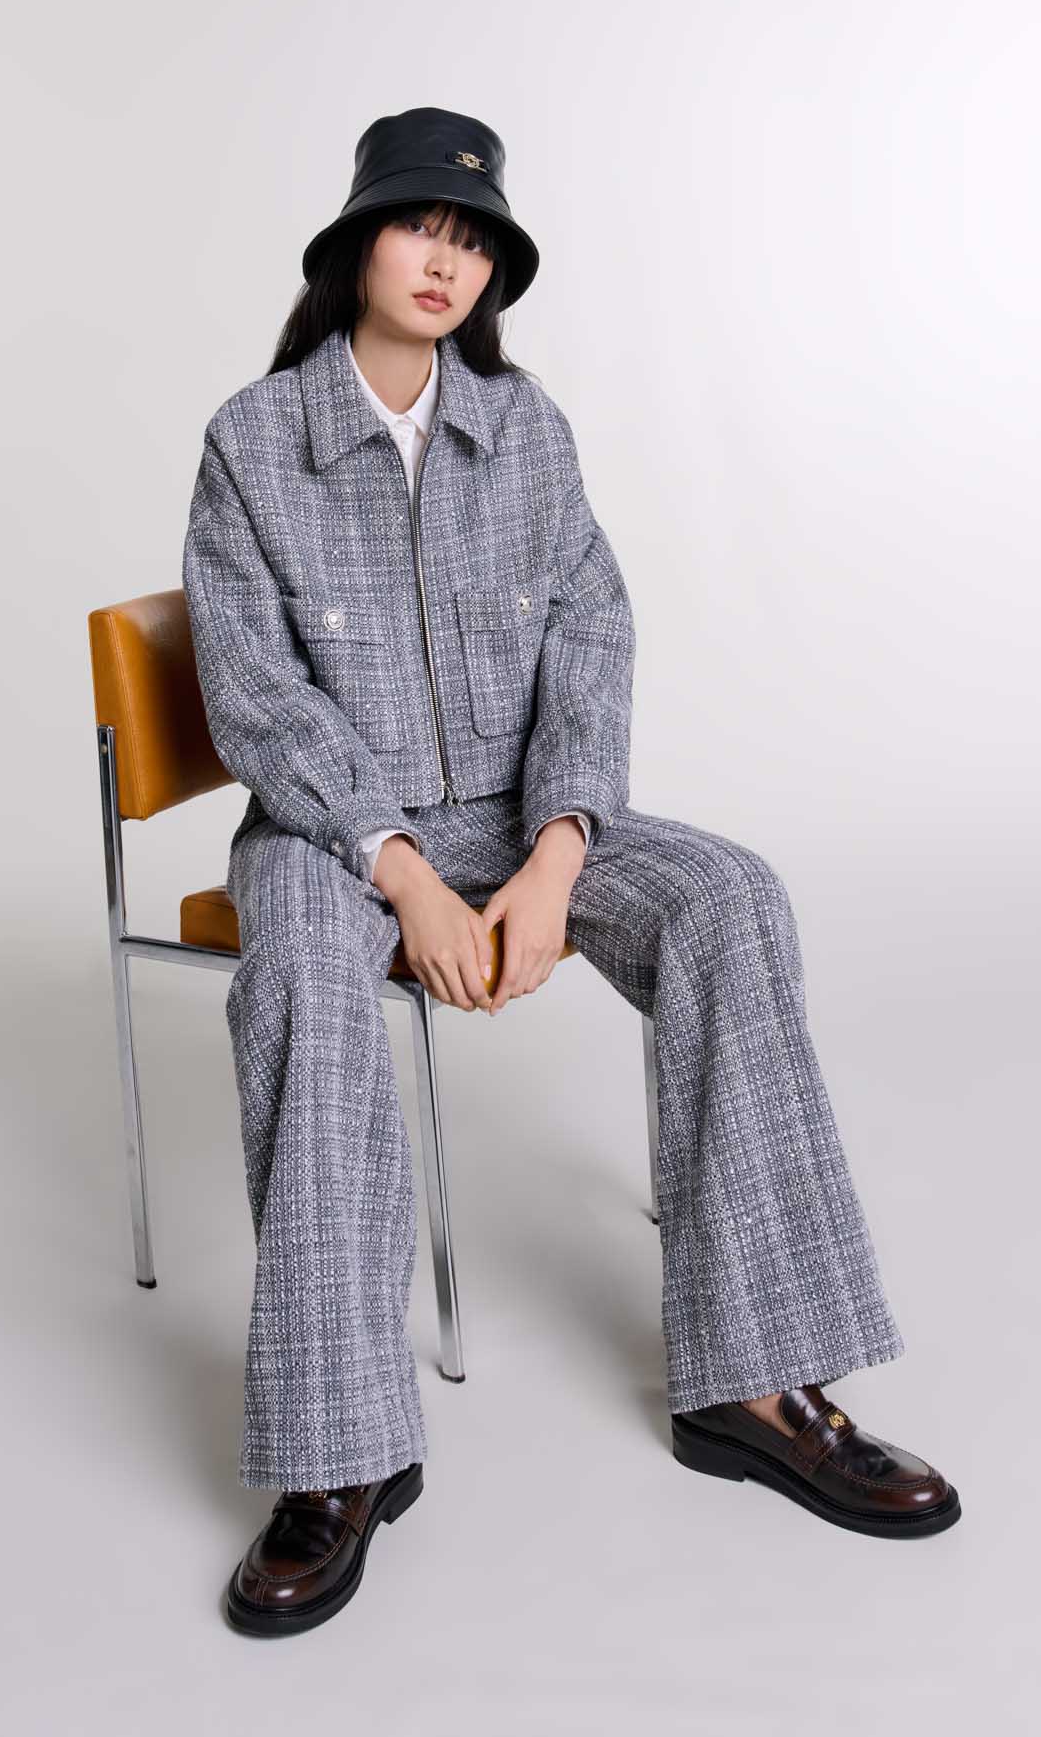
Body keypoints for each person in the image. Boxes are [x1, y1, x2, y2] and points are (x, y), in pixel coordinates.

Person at [182, 107, 961, 1638]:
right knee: (306, 970)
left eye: (473, 241)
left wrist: (556, 851)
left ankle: (753, 1377)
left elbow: (591, 634)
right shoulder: (254, 440)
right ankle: (339, 1452)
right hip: (331, 833)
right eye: (420, 228)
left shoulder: (524, 431)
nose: (445, 262)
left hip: (519, 815)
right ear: (356, 244)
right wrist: (402, 871)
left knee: (731, 897)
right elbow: (256, 693)